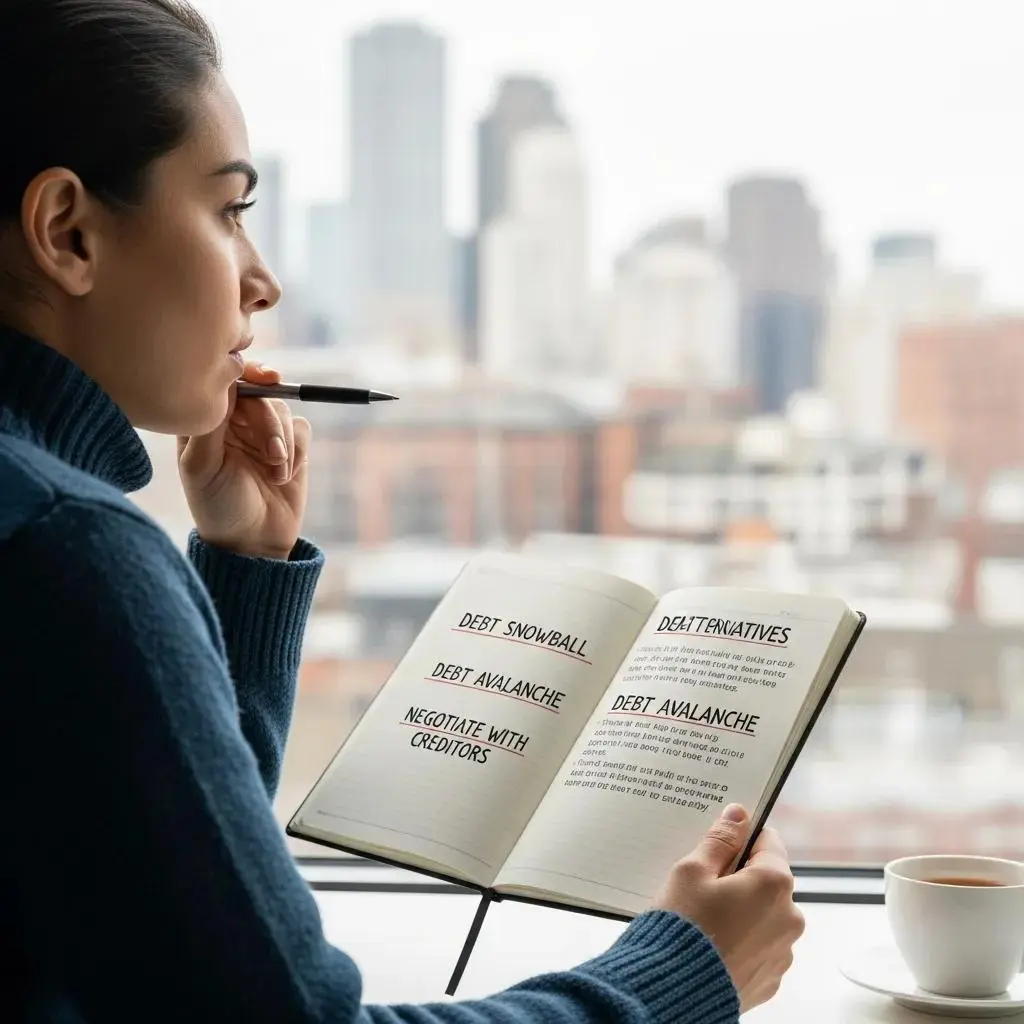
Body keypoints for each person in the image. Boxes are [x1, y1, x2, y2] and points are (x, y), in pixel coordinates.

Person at [0, 2, 805, 1020]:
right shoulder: (69, 549)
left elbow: (188, 931)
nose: (264, 281)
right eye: (228, 210)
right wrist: (684, 974)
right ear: (66, 230)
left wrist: (247, 562)